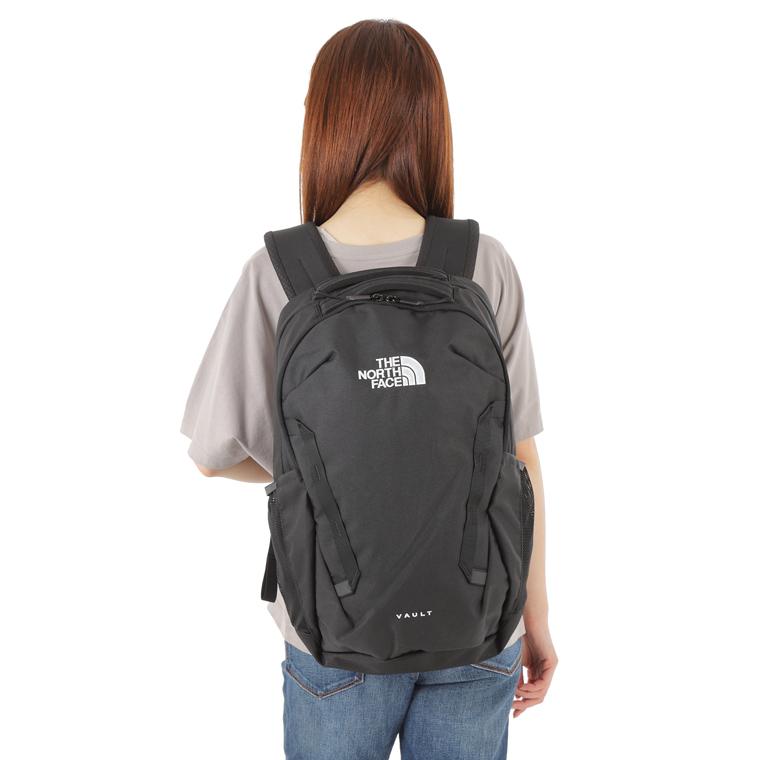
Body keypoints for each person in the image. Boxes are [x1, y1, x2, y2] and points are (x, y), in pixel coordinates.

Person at [180, 18, 557, 760]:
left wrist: (324, 472)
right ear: (432, 121)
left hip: (333, 631)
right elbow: (520, 460)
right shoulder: (484, 263)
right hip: (481, 622)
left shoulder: (278, 273)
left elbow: (211, 457)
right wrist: (536, 619)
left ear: (325, 123)